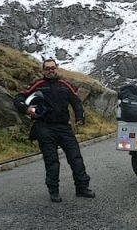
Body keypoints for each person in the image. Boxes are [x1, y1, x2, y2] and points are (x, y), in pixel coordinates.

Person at [13, 58, 95, 202]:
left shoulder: (65, 85)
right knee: (52, 161)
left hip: (64, 127)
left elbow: (76, 102)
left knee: (76, 158)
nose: (51, 70)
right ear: (43, 71)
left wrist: (80, 117)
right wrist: (26, 109)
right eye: (47, 68)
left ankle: (82, 188)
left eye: (53, 68)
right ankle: (54, 191)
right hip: (44, 127)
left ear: (57, 68)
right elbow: (19, 97)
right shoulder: (38, 85)